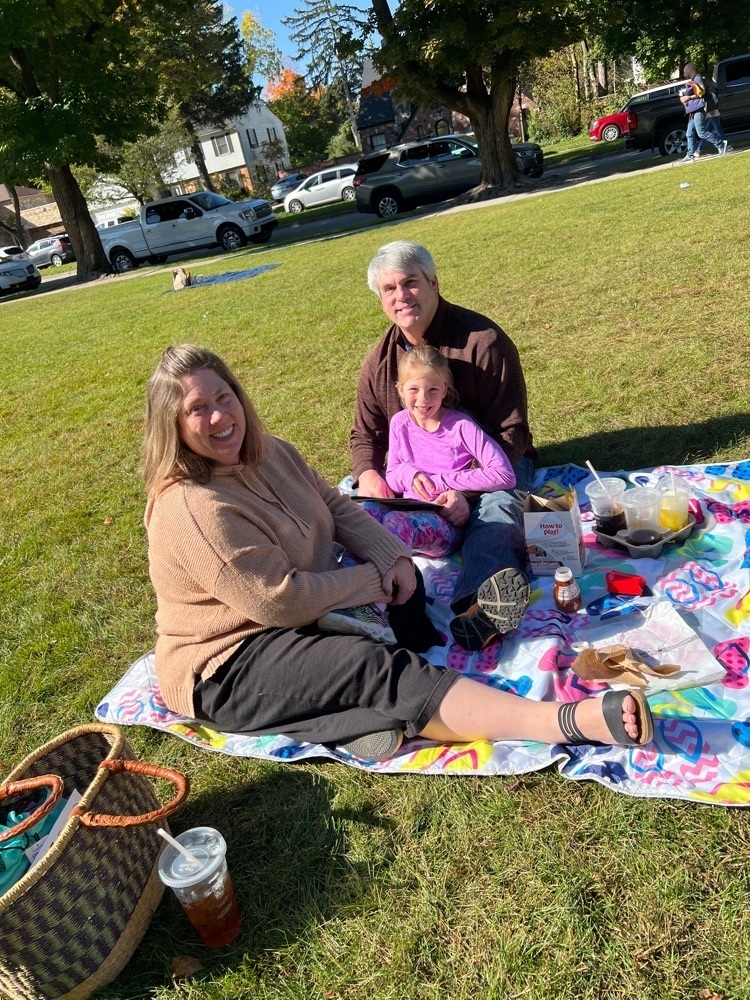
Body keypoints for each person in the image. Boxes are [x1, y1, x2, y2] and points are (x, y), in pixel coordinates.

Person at [142, 344, 653, 761]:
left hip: (306, 614)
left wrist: (392, 559)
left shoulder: (272, 451)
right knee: (369, 666)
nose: (218, 415)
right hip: (231, 660)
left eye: (223, 396)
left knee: (408, 589)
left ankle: (364, 715)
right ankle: (563, 722)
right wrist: (370, 580)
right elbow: (279, 602)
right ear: (174, 425)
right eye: (196, 409)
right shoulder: (192, 506)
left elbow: (334, 506)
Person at [351, 241, 536, 652]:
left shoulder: (483, 343)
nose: (401, 297)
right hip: (418, 480)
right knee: (350, 512)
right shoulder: (378, 364)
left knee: (496, 512)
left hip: (494, 465)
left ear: (433, 282)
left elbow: (512, 433)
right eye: (389, 289)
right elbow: (366, 435)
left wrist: (466, 492)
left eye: (411, 283)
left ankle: (482, 606)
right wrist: (368, 474)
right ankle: (357, 607)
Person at [359, 345, 515, 571]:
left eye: (433, 389)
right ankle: (347, 591)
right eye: (414, 389)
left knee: (396, 524)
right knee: (364, 517)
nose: (423, 399)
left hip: (446, 525)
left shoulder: (461, 427)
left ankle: (391, 592)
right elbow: (392, 474)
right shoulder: (399, 423)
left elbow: (504, 474)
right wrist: (409, 474)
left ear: (445, 389)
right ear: (400, 390)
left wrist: (441, 482)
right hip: (407, 509)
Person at [680, 63, 727, 163]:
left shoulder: (698, 78)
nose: (684, 74)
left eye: (685, 72)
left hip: (700, 109)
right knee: (689, 133)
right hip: (694, 110)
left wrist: (688, 97)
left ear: (690, 70)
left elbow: (703, 92)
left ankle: (721, 145)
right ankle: (690, 155)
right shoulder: (693, 80)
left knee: (701, 132)